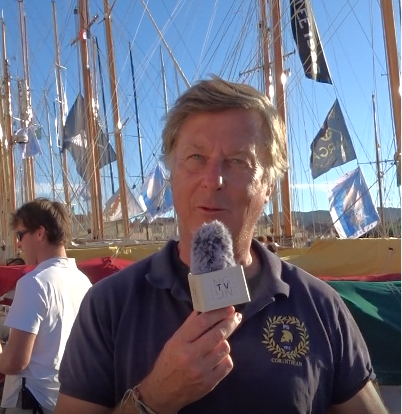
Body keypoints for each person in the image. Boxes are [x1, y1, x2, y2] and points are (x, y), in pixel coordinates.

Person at [54, 77, 387, 414]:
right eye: (196, 157)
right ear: (172, 174)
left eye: (239, 161)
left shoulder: (321, 307)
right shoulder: (108, 306)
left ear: (268, 185)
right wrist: (151, 399)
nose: (213, 180)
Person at [0, 199, 92, 414]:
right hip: (67, 399)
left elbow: (14, 363)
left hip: (33, 400)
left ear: (40, 233)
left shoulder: (34, 283)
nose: (18, 244)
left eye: (20, 235)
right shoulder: (83, 282)